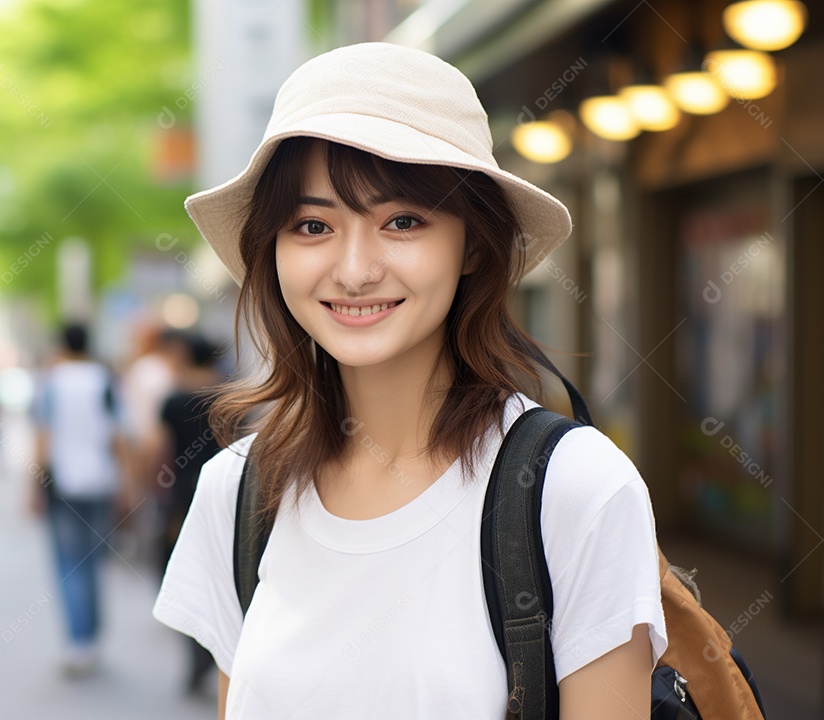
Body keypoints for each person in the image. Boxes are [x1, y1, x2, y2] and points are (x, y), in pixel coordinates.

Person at [153, 43, 667, 718]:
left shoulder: (575, 491)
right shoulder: (240, 491)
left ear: (475, 244)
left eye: (402, 221)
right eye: (312, 225)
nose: (355, 269)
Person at [32, 323, 126, 679]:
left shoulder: (51, 383)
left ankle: (78, 642)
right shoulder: (104, 381)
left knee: (69, 563)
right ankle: (93, 636)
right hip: (102, 481)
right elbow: (118, 434)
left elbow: (43, 437)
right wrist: (130, 483)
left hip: (63, 484)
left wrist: (32, 487)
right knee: (93, 561)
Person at [152, 331, 223, 694]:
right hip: (227, 494)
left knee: (182, 568)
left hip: (181, 495)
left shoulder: (174, 399)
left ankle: (195, 653)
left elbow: (159, 450)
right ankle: (213, 651)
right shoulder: (231, 393)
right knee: (222, 574)